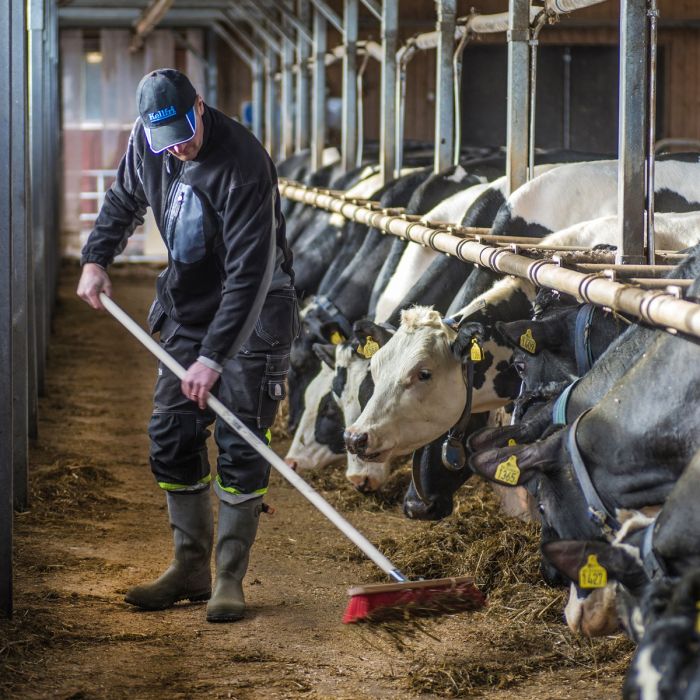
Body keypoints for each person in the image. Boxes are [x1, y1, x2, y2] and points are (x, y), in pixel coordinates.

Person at [77, 68, 298, 623]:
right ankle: (190, 566)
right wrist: (96, 257)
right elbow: (124, 197)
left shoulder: (243, 164)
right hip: (189, 305)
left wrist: (212, 357)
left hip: (253, 311)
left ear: (199, 106)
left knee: (241, 437)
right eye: (164, 138)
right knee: (171, 433)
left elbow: (249, 274)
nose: (176, 147)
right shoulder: (150, 143)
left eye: (183, 131)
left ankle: (228, 576)